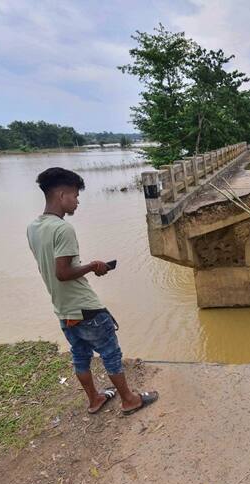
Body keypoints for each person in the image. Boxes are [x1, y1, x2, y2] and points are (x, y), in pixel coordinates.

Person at [27, 167, 158, 415]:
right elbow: (63, 272)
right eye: (75, 195)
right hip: (85, 307)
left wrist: (84, 267)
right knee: (110, 353)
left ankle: (94, 399)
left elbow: (53, 269)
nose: (77, 201)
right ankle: (129, 400)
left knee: (80, 355)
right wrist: (93, 266)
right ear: (62, 194)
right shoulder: (62, 228)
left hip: (63, 308)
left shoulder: (33, 228)